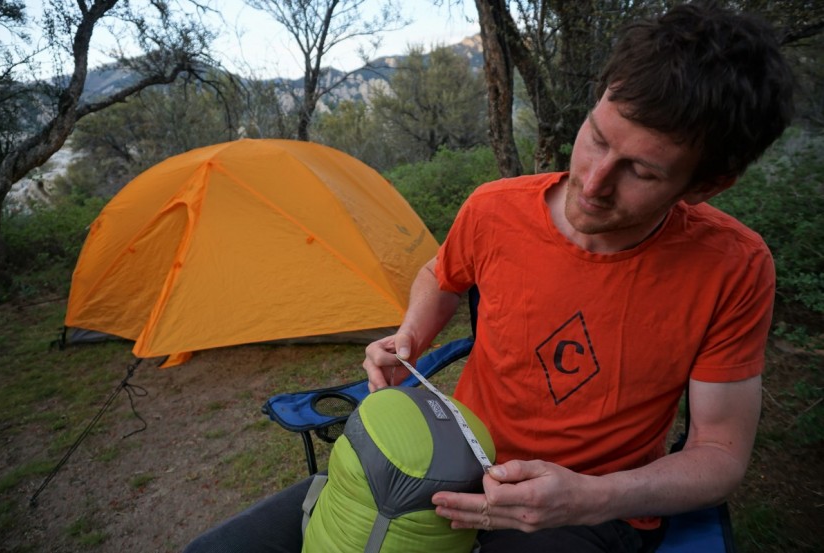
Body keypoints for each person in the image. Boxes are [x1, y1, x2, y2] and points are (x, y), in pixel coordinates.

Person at [184, 2, 794, 552]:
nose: (594, 180)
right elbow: (440, 274)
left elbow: (718, 452)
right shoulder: (495, 209)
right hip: (441, 460)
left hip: (582, 512)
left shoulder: (732, 268)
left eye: (641, 171)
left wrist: (589, 497)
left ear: (707, 185)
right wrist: (411, 337)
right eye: (597, 137)